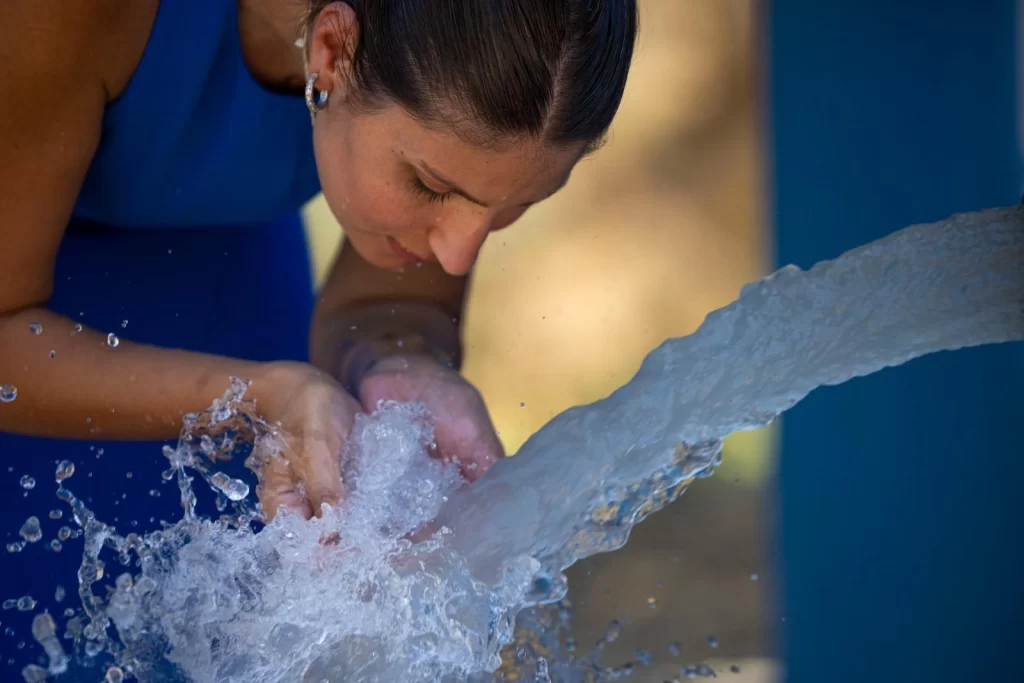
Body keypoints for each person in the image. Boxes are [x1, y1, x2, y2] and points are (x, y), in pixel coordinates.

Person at [0, 0, 637, 668]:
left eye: (515, 206)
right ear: (331, 52)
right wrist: (258, 397)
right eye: (429, 185)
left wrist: (400, 363)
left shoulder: (458, 54)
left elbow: (391, 308)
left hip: (232, 277)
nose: (458, 255)